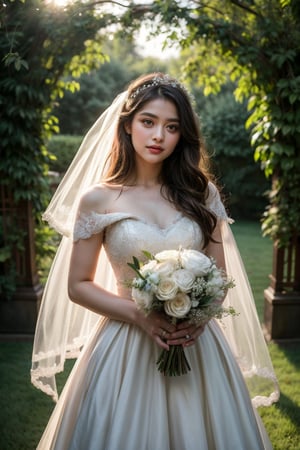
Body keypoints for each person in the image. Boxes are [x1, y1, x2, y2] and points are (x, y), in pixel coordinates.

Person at [31, 72, 279, 449]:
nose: (158, 136)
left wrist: (197, 321)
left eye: (172, 126)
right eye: (148, 122)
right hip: (125, 343)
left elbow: (220, 277)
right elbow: (77, 285)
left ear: (183, 135)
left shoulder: (201, 193)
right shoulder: (97, 199)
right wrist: (140, 315)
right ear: (128, 124)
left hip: (196, 346)